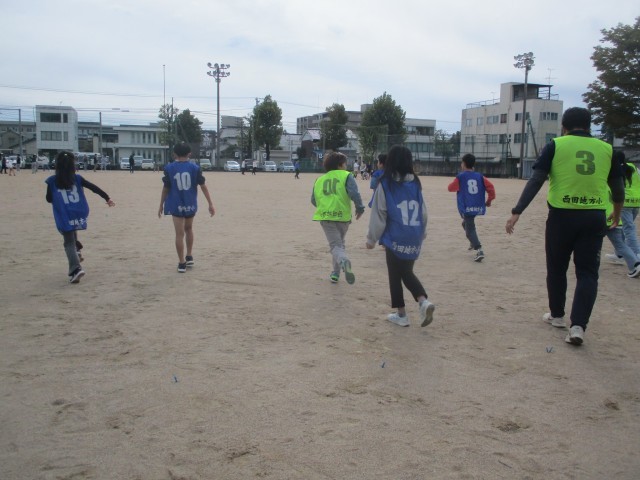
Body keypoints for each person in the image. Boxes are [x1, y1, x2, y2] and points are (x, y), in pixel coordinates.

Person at [505, 107, 624, 346]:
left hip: (561, 216)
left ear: (564, 126)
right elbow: (618, 189)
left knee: (557, 267)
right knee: (588, 273)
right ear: (589, 126)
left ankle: (557, 315)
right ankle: (578, 326)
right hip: (594, 217)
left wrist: (517, 211)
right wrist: (617, 213)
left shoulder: (556, 145)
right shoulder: (607, 149)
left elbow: (536, 180)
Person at [366, 145, 434, 328]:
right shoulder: (415, 183)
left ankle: (410, 308)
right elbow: (423, 212)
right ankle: (416, 305)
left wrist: (371, 238)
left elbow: (379, 213)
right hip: (414, 234)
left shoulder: (385, 183)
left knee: (396, 274)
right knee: (405, 270)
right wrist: (422, 233)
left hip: (395, 235)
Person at [45, 151, 115, 283]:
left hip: (65, 214)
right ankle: (76, 250)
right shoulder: (77, 178)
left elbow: (49, 199)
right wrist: (107, 198)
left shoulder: (52, 181)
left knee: (68, 242)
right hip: (77, 211)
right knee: (72, 231)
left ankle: (75, 269)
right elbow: (93, 188)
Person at [158, 143, 215, 273]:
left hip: (175, 203)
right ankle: (189, 256)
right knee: (189, 229)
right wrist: (210, 203)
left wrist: (161, 204)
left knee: (179, 234)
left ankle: (181, 263)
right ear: (189, 154)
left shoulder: (169, 168)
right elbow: (203, 186)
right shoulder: (195, 168)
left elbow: (166, 188)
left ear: (174, 154)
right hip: (190, 202)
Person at [311, 151, 365, 284]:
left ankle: (343, 262)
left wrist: (325, 205)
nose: (346, 166)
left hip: (326, 217)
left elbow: (313, 200)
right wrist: (359, 208)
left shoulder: (319, 180)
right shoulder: (346, 175)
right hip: (343, 217)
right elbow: (354, 193)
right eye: (345, 164)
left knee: (336, 245)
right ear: (340, 165)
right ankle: (336, 273)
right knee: (339, 244)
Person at [447, 153, 496, 262]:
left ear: (463, 164)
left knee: (470, 229)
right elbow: (491, 188)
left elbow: (450, 188)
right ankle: (472, 242)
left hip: (467, 207)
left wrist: (458, 184)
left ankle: (479, 249)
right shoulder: (480, 176)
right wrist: (488, 201)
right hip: (477, 206)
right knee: (465, 224)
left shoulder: (461, 177)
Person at [605, 153, 640, 264]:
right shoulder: (634, 167)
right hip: (636, 201)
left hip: (624, 202)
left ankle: (636, 255)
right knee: (626, 229)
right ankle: (619, 254)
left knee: (628, 230)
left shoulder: (614, 169)